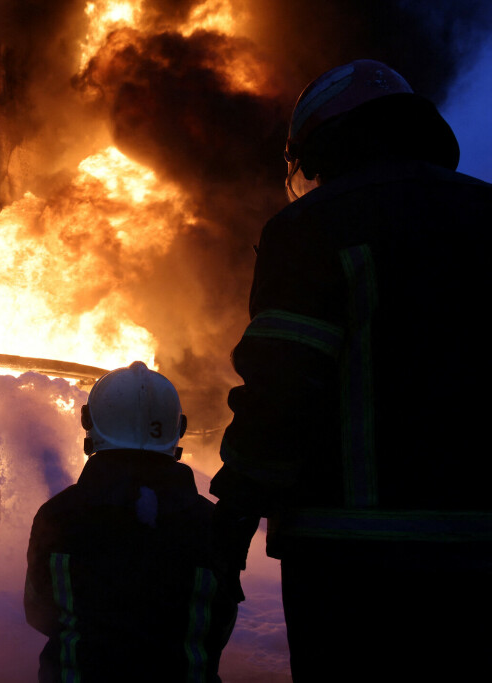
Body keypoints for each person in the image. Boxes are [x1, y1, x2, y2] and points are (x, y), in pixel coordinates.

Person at [210, 59, 492, 680]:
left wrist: (234, 513)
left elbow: (285, 388)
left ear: (322, 142)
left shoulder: (312, 226)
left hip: (351, 559)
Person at [25, 362, 237, 682]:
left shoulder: (60, 516)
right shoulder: (212, 523)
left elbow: (38, 612)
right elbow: (220, 624)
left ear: (90, 423)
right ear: (177, 429)